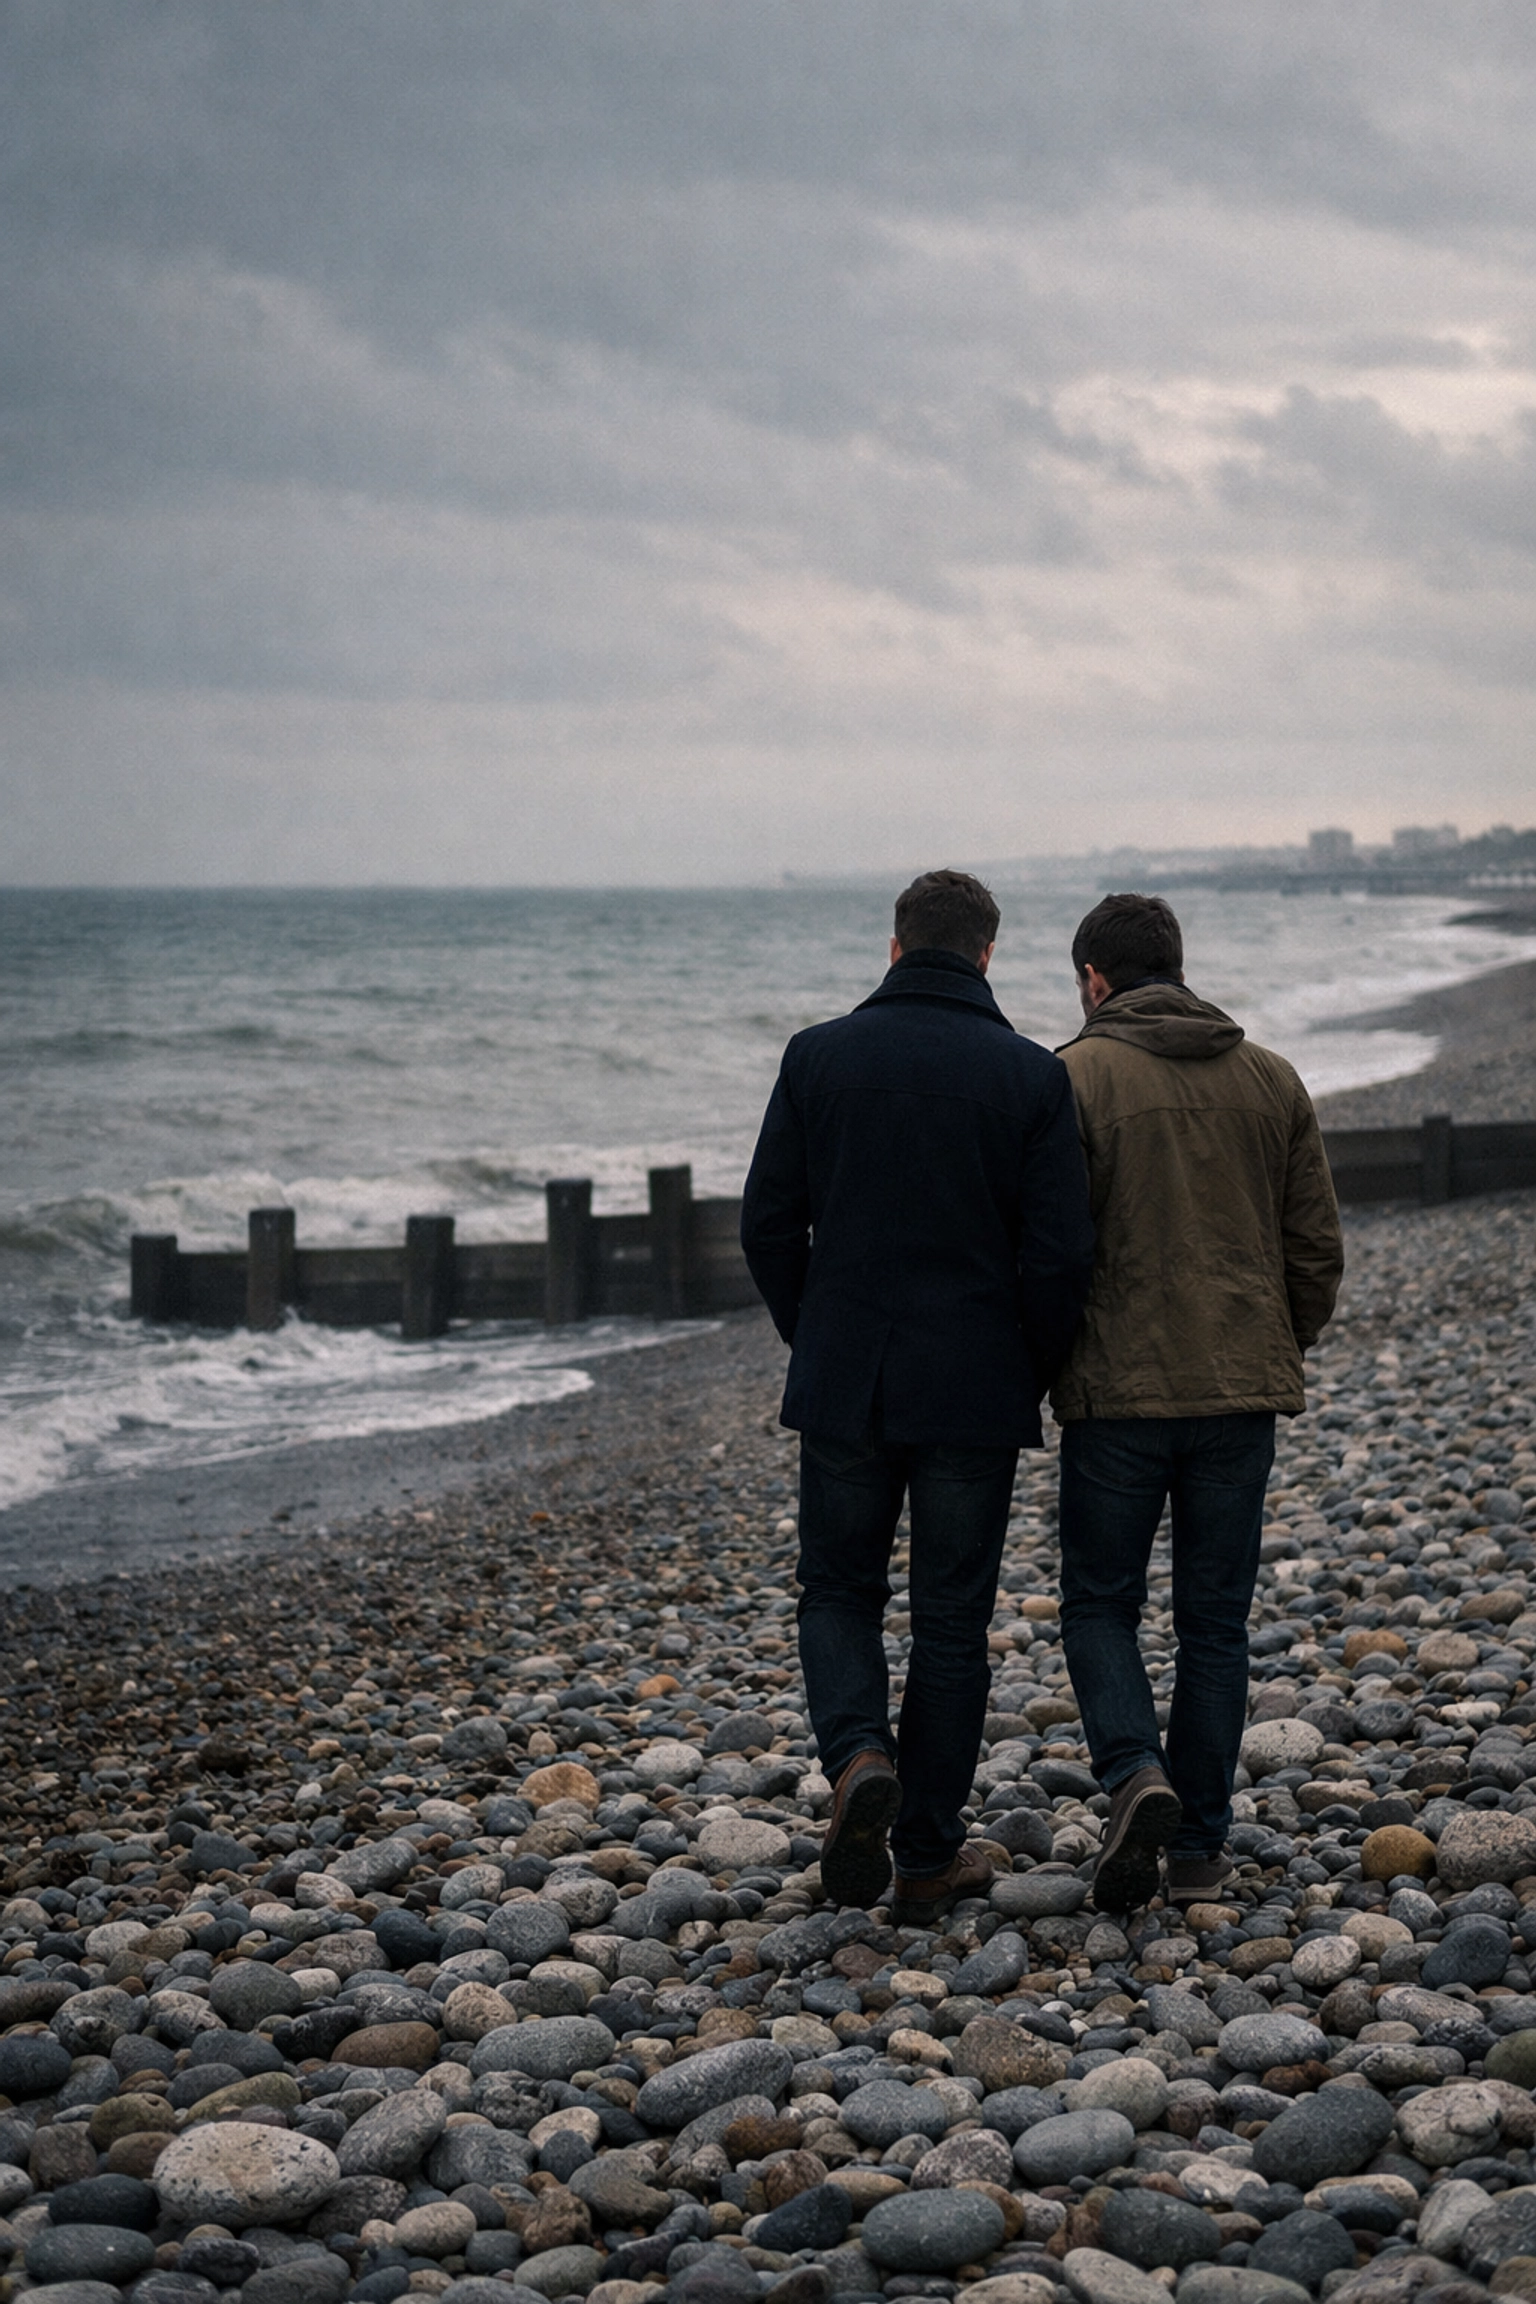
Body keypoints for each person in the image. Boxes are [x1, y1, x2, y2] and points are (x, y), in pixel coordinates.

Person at [741, 870, 1096, 1924]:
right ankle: (927, 1855)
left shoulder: (818, 1057)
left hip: (848, 1377)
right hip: (974, 1387)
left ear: (895, 947)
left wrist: (820, 1337)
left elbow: (767, 1225)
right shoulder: (1031, 1077)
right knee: (951, 1622)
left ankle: (857, 1755)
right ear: (987, 955)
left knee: (838, 1591)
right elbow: (1060, 1257)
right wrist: (1023, 1367)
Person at [1052, 892, 1344, 1912]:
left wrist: (1051, 1361)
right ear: (1177, 965)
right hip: (1239, 1392)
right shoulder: (1270, 1077)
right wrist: (1273, 1342)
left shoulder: (1073, 1077)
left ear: (1096, 978)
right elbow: (1315, 1248)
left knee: (1098, 1603)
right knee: (1215, 1623)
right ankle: (1201, 1845)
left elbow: (1050, 1249)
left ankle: (1137, 1773)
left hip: (1115, 1395)